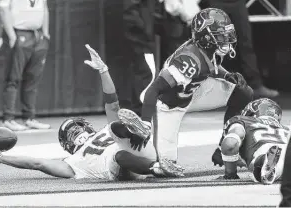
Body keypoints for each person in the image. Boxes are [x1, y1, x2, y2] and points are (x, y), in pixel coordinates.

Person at [0, 44, 185, 181]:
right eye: (71, 132)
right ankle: (158, 167)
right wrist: (0, 158)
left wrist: (103, 70)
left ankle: (138, 132)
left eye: (74, 129)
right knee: (117, 153)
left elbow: (112, 102)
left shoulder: (94, 140)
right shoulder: (71, 163)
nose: (76, 133)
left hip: (135, 145)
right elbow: (37, 163)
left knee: (115, 126)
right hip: (132, 165)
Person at [118, 8, 253, 165]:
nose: (226, 40)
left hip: (193, 93)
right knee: (165, 165)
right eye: (221, 36)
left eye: (226, 34)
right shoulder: (189, 60)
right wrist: (145, 123)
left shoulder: (209, 48)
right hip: (169, 106)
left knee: (243, 92)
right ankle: (128, 145)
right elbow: (153, 90)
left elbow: (211, 66)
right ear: (206, 37)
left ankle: (224, 150)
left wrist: (226, 76)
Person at [201, 0, 279, 98]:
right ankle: (209, 87)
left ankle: (255, 85)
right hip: (216, 2)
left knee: (245, 43)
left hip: (237, 3)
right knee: (214, 44)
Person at [0, 0, 51, 131]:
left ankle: (29, 118)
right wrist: (11, 36)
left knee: (33, 78)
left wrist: (45, 33)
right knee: (13, 78)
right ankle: (8, 119)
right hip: (18, 33)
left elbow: (44, 8)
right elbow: (3, 9)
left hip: (37, 35)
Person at [217, 98, 290, 185]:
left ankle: (263, 161)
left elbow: (230, 144)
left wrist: (230, 174)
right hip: (287, 149)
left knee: (261, 166)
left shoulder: (242, 120)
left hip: (265, 149)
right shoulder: (286, 128)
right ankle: (270, 164)